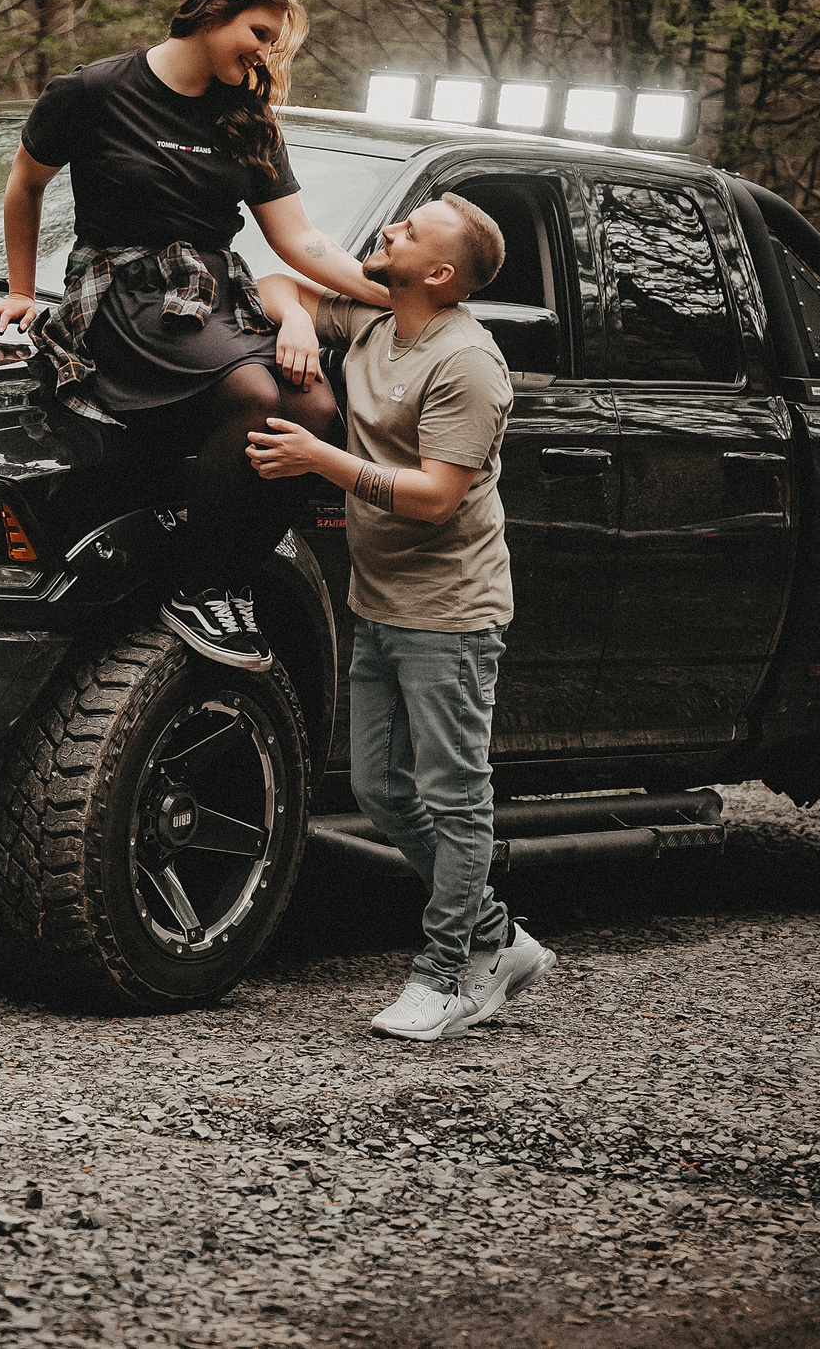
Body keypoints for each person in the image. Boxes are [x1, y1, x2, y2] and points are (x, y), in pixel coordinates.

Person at [0, 0, 386, 670]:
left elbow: (301, 239)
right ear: (212, 10)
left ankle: (226, 580)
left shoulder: (249, 117)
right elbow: (24, 184)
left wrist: (393, 293)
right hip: (123, 292)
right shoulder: (94, 91)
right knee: (256, 395)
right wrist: (23, 292)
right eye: (257, 31)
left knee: (314, 412)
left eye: (272, 41)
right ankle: (200, 584)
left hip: (215, 296)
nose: (264, 52)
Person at [246, 197, 556, 1041]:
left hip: (451, 611)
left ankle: (448, 972)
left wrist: (321, 458)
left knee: (454, 796)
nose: (386, 232)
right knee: (382, 790)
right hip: (379, 600)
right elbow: (276, 279)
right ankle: (499, 938)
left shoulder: (467, 363)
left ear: (440, 273)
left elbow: (434, 497)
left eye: (408, 231)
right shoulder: (381, 318)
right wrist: (300, 327)